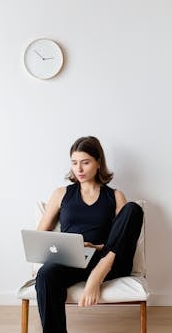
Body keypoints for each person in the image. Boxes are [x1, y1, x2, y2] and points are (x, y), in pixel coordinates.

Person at [35, 136, 143, 333]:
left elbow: (123, 237)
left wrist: (98, 248)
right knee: (46, 274)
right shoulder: (61, 194)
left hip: (108, 259)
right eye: (74, 163)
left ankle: (97, 275)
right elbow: (40, 236)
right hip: (74, 259)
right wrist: (72, 246)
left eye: (85, 162)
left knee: (133, 209)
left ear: (98, 162)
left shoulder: (115, 196)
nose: (79, 169)